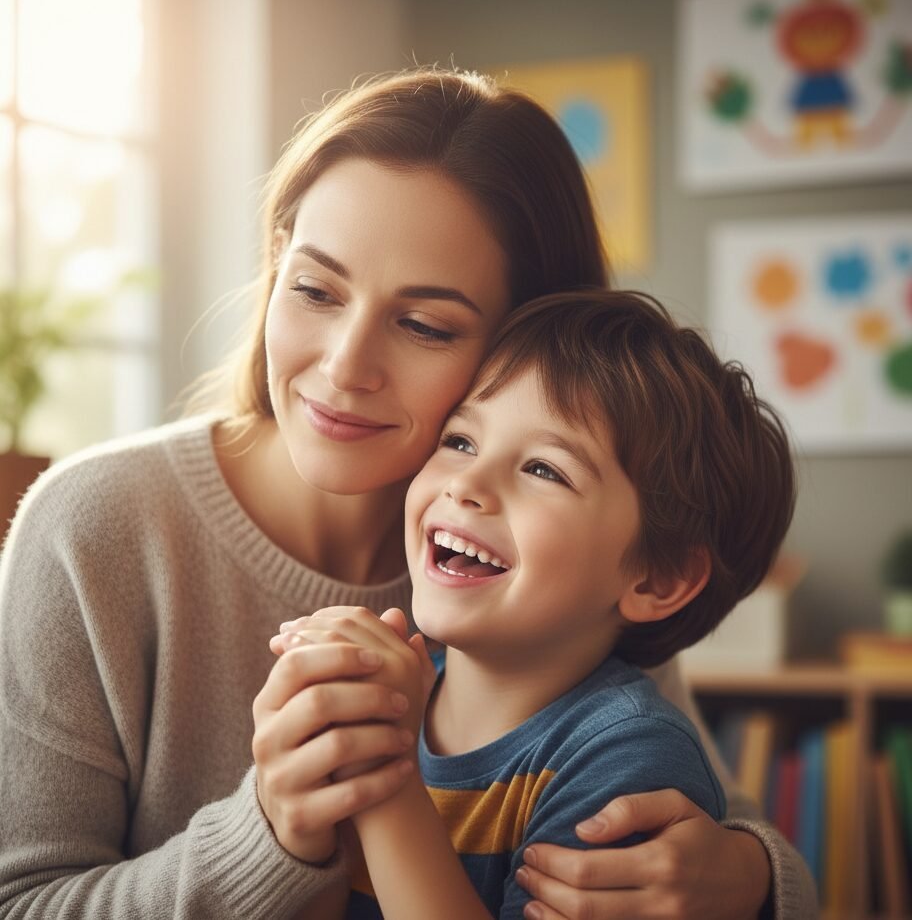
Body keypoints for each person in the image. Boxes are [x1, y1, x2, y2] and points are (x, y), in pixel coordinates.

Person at [0, 68, 816, 919]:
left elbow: (701, 818)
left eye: (426, 325)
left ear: (530, 348)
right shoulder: (93, 528)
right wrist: (268, 834)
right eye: (315, 289)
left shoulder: (546, 574)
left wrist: (748, 878)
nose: (345, 366)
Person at [271, 288, 795, 919]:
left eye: (544, 469)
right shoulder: (401, 694)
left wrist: (381, 778)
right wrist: (297, 829)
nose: (466, 484)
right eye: (461, 440)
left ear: (657, 580)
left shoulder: (628, 759)